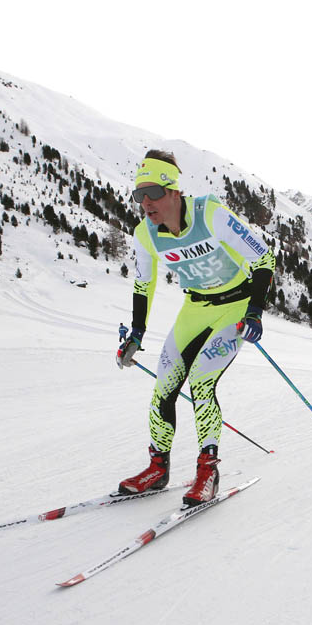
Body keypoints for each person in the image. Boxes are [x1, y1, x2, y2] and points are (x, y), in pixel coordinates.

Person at [115, 150, 276, 506]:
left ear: (174, 192)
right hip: (195, 308)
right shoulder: (145, 234)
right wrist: (137, 334)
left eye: (153, 193)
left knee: (202, 381)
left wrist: (254, 312)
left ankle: (208, 472)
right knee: (164, 387)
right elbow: (144, 284)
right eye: (138, 195)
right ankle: (158, 468)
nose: (145, 202)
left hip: (234, 306)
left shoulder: (211, 214)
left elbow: (263, 257)